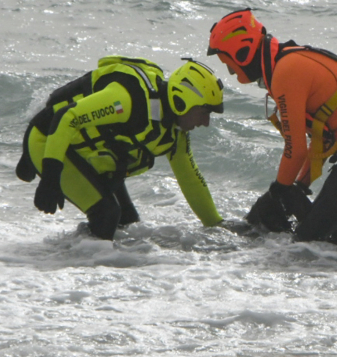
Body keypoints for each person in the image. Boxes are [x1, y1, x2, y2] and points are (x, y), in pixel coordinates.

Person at [208, 8, 337, 248]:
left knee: (311, 246)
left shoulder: (286, 71)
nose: (231, 73)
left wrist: (278, 191)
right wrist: (300, 185)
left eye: (228, 64)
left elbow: (295, 148)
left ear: (242, 53)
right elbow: (321, 139)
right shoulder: (286, 62)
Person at [16, 57, 224, 239]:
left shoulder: (175, 134)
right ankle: (69, 270)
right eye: (205, 112)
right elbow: (66, 117)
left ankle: (95, 262)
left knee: (128, 225)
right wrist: (51, 178)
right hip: (47, 142)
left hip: (84, 155)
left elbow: (191, 181)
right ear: (183, 101)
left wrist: (218, 228)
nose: (206, 122)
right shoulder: (127, 100)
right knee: (107, 214)